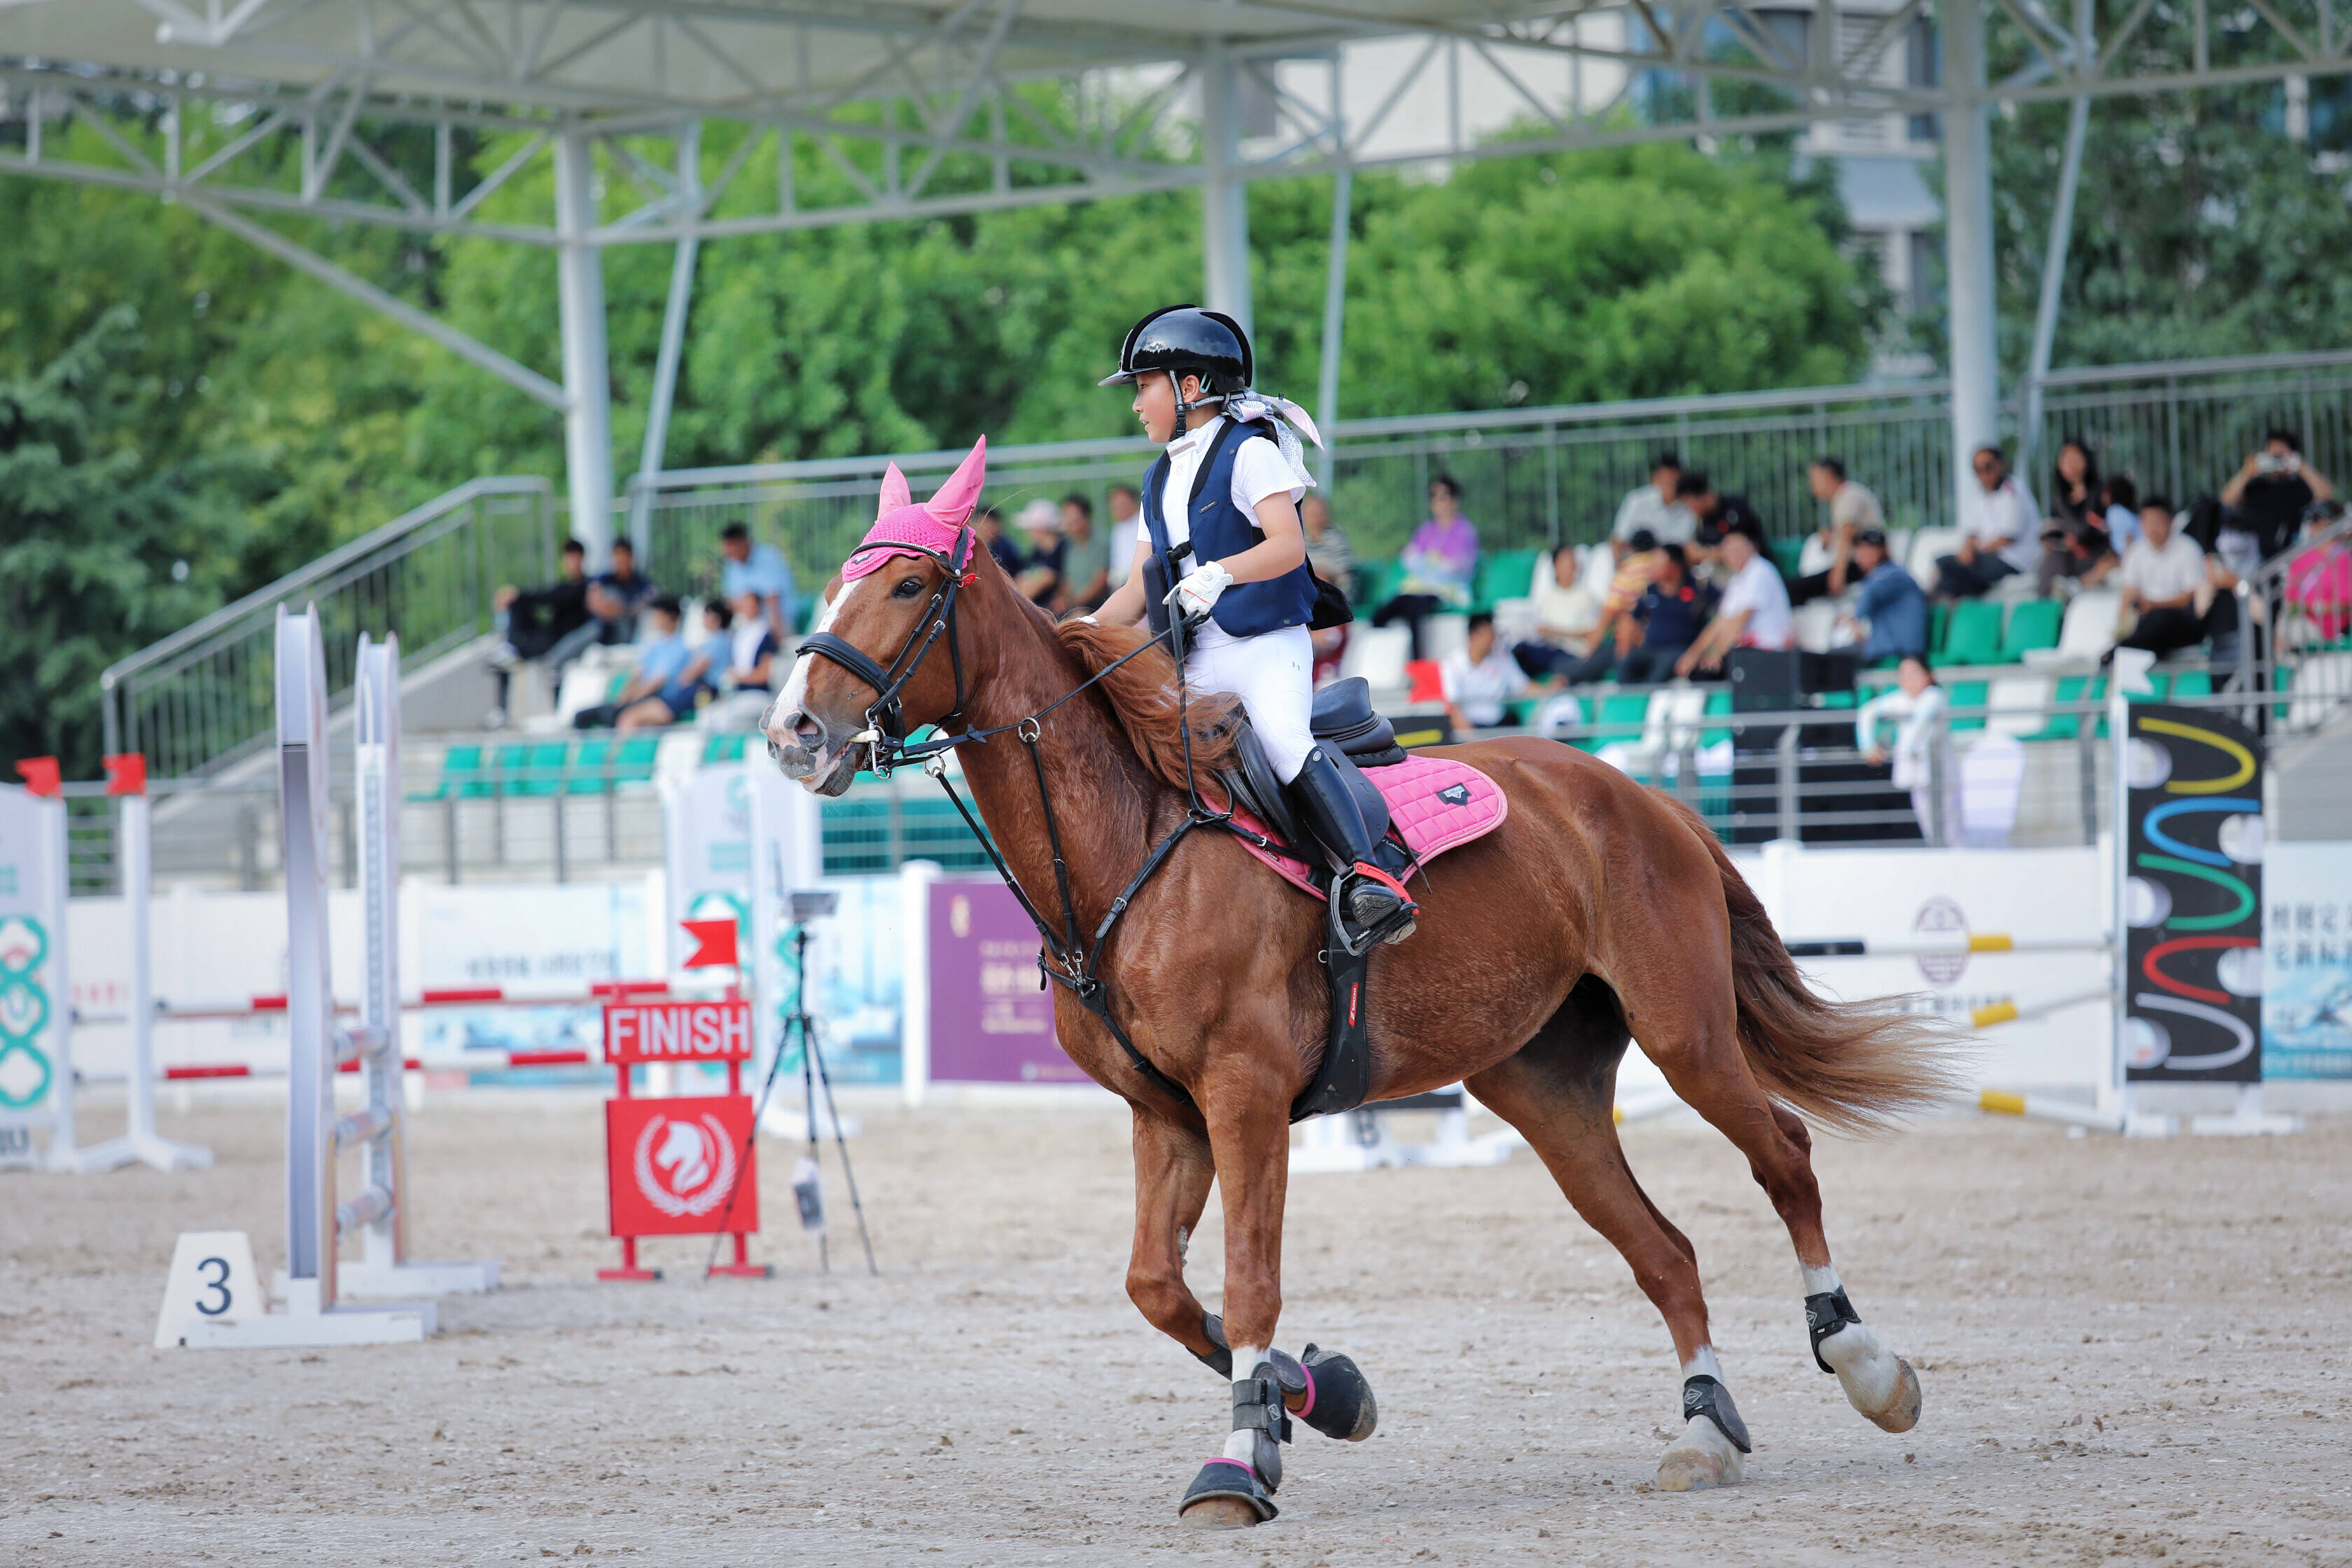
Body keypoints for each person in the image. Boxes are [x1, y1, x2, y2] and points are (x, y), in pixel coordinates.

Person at [1088, 304, 1415, 946]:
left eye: (1143, 387)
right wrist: (1071, 634)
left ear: (1190, 388)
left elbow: (1289, 546)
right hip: (1197, 656)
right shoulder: (1158, 479)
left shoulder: (1250, 452)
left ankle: (1367, 879)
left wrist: (1220, 574)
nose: (1136, 404)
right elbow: (1134, 588)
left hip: (1265, 645)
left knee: (1284, 741)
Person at [2112, 496, 2239, 661]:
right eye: (2148, 523)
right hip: (2147, 623)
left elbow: (2191, 599)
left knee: (2159, 619)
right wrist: (2122, 627)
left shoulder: (2188, 548)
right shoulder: (2135, 552)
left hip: (2181, 622)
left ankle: (2121, 653)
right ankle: (2120, 653)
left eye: (2158, 522)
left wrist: (2153, 605)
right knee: (2145, 628)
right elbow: (2128, 594)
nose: (2153, 529)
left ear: (2170, 521)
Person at [486, 537, 592, 727]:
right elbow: (546, 597)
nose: (572, 563)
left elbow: (550, 598)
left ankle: (511, 648)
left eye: (575, 558)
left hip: (562, 641)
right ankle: (501, 709)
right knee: (517, 608)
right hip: (548, 635)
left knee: (520, 600)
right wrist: (515, 597)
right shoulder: (564, 584)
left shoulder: (585, 587)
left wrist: (518, 594)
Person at [1370, 475, 1478, 659]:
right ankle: (1382, 659)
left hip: (1448, 590)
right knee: (1384, 611)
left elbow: (1457, 568)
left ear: (1454, 500)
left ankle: (1418, 661)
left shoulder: (1464, 531)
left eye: (1443, 496)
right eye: (1433, 496)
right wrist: (1432, 563)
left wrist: (1428, 563)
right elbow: (1409, 558)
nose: (1438, 502)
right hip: (1421, 588)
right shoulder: (1427, 530)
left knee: (1415, 608)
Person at [573, 595, 708, 732]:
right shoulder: (654, 646)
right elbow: (637, 674)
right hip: (638, 697)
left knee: (619, 717)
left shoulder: (681, 648)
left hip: (658, 699)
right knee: (583, 716)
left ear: (670, 617)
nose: (654, 619)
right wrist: (623, 698)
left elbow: (657, 682)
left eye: (658, 615)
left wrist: (631, 700)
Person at [1855, 656, 1950, 841]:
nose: (1908, 678)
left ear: (1929, 675)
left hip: (1941, 778)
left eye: (1914, 672)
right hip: (1918, 777)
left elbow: (1921, 721)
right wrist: (1867, 746)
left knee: (1951, 833)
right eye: (1903, 673)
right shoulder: (1902, 699)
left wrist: (1905, 751)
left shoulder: (1934, 697)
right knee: (1929, 831)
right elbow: (1867, 712)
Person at [1677, 526, 1792, 677]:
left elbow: (1741, 620)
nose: (1733, 556)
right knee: (1695, 668)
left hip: (1770, 649)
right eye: (1729, 552)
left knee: (1708, 671)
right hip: (1747, 650)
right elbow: (1720, 622)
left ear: (1751, 549)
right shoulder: (1738, 579)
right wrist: (1692, 654)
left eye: (1737, 550)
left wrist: (1716, 652)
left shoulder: (1760, 571)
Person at [1935, 445, 2040, 598]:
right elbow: (1972, 532)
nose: (1983, 474)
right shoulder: (1981, 494)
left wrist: (1974, 551)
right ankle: (1947, 609)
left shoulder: (2014, 491)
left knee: (1952, 568)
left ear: (2001, 465)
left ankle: (1941, 606)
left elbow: (2006, 539)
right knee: (1946, 565)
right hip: (1989, 557)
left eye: (1988, 467)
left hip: (2014, 560)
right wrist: (1967, 549)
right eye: (1977, 470)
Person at [2220, 428, 2335, 564]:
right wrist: (2246, 473)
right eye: (2272, 455)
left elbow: (2326, 495)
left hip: (2295, 557)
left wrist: (2300, 466)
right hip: (2261, 560)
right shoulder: (2257, 487)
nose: (2276, 460)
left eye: (2280, 456)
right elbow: (2227, 500)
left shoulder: (2300, 486)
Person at [1785, 456, 1885, 607]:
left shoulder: (1848, 496)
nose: (1812, 484)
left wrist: (1838, 574)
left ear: (1828, 476)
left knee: (1791, 589)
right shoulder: (1845, 496)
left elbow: (1847, 536)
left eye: (1814, 478)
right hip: (1856, 564)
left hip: (1861, 566)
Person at [2033, 440, 2114, 596]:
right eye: (2065, 460)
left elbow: (2105, 529)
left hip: (2095, 555)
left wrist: (2079, 540)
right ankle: (2048, 606)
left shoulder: (2101, 493)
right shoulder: (2060, 500)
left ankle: (2058, 600)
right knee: (2052, 559)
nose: (2070, 464)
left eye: (2075, 458)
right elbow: (2054, 527)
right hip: (2067, 555)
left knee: (2055, 563)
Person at [1620, 545, 1709, 685]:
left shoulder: (1698, 586)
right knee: (1627, 663)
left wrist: (1698, 652)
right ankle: (1624, 704)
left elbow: (1724, 610)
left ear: (1675, 565)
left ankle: (1649, 700)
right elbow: (1631, 619)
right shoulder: (1650, 590)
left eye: (1658, 564)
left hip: (1681, 649)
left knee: (1662, 667)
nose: (1652, 568)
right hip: (1652, 648)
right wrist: (1625, 646)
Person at [1837, 528, 1929, 664]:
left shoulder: (1893, 575)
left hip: (1901, 650)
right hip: (1888, 646)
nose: (1860, 558)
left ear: (1882, 551)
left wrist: (1850, 620)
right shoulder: (1885, 575)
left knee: (1833, 660)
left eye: (1867, 551)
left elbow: (1862, 608)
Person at [1513, 544, 1602, 680]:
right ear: (1556, 566)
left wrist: (1556, 632)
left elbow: (1593, 633)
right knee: (1519, 652)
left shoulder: (1587, 598)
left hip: (1571, 654)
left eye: (1572, 561)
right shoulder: (1547, 598)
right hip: (1547, 650)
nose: (1571, 566)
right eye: (1566, 561)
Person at [1442, 612, 1544, 731]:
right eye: (1489, 634)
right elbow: (1454, 709)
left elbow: (1524, 687)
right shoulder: (1452, 664)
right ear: (1474, 635)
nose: (1493, 639)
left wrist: (1551, 689)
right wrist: (1473, 741)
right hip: (1473, 729)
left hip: (1501, 726)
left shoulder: (1503, 658)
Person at [1301, 493, 1359, 683]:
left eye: (1317, 512)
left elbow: (1345, 577)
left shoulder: (1336, 541)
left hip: (1330, 596)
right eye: (1309, 513)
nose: (1313, 517)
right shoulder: (1300, 540)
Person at [2283, 499, 2351, 645]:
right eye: (2311, 519)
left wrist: (2314, 608)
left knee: (2294, 630)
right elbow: (2291, 599)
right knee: (2284, 625)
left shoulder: (2344, 557)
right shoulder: (2301, 558)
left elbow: (2346, 603)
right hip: (2302, 623)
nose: (2314, 524)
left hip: (2331, 629)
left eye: (2319, 518)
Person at [1610, 451, 1696, 560]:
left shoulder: (1690, 506)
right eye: (1667, 481)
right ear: (1655, 479)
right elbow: (1618, 540)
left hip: (1676, 569)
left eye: (1675, 481)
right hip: (1639, 565)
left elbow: (1692, 548)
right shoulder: (1637, 501)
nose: (1671, 486)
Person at [718, 522, 796, 636]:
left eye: (732, 547)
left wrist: (776, 633)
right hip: (745, 622)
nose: (728, 552)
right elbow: (729, 601)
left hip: (775, 621)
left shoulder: (769, 558)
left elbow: (773, 601)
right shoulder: (731, 565)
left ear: (744, 542)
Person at [585, 538, 658, 643]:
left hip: (627, 632)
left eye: (623, 556)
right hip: (602, 628)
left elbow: (649, 599)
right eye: (617, 556)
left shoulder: (642, 584)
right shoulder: (604, 579)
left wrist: (620, 609)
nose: (620, 561)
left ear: (631, 557)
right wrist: (609, 608)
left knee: (614, 595)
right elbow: (593, 600)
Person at [1057, 493, 1112, 612]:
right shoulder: (1069, 545)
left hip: (1096, 605)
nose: (1069, 521)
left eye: (1073, 516)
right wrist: (1063, 600)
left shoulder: (1101, 542)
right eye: (1066, 515)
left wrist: (1075, 603)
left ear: (1086, 516)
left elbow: (1101, 580)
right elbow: (1067, 580)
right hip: (1074, 605)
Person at [1011, 496, 1065, 606]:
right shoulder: (1037, 551)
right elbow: (1023, 577)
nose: (1028, 532)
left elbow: (1048, 578)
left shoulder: (1061, 549)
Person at [1107, 483, 1142, 586]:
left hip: (1137, 579)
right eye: (1115, 504)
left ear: (1134, 502)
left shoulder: (1142, 523)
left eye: (1123, 503)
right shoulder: (1117, 528)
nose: (1119, 508)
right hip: (1119, 581)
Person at [975, 504, 1023, 578]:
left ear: (996, 523)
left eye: (986, 522)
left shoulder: (1006, 547)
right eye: (980, 523)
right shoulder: (987, 546)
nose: (982, 527)